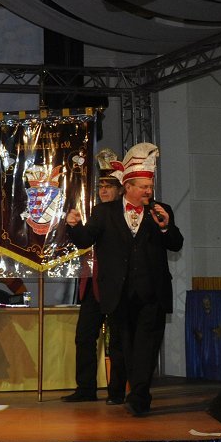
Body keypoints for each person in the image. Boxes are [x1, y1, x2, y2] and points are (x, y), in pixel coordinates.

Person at [66, 142, 183, 417]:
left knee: (147, 347)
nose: (148, 191)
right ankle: (134, 393)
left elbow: (176, 244)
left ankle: (140, 397)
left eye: (150, 187)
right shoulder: (104, 212)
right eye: (143, 187)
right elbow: (84, 240)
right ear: (128, 187)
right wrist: (73, 225)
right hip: (118, 294)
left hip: (152, 293)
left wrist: (165, 227)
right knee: (126, 348)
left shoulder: (161, 210)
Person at [61, 149, 127, 404]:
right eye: (101, 186)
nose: (103, 190)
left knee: (117, 340)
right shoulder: (98, 211)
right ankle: (86, 389)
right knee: (84, 336)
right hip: (92, 282)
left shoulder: (125, 214)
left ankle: (117, 391)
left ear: (120, 189)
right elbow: (84, 240)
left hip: (115, 285)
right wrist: (74, 225)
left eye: (109, 186)